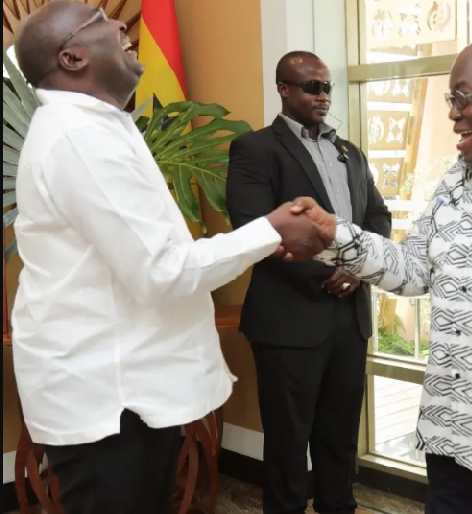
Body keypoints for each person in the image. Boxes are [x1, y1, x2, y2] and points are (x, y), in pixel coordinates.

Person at [11, 3, 330, 514]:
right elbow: (162, 271)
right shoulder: (79, 137)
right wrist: (270, 231)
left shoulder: (104, 126)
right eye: (99, 19)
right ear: (71, 57)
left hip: (131, 395)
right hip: (109, 402)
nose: (120, 24)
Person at [291, 32, 472, 514]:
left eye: (462, 98)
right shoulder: (455, 182)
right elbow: (413, 270)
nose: (452, 112)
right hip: (452, 444)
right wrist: (334, 236)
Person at [225, 51, 391, 513]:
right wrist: (329, 271)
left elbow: (378, 215)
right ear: (283, 89)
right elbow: (255, 228)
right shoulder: (255, 149)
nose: (323, 96)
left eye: (327, 87)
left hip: (348, 316)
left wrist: (357, 267)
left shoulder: (350, 152)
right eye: (311, 87)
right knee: (288, 440)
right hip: (288, 320)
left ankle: (340, 506)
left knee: (340, 436)